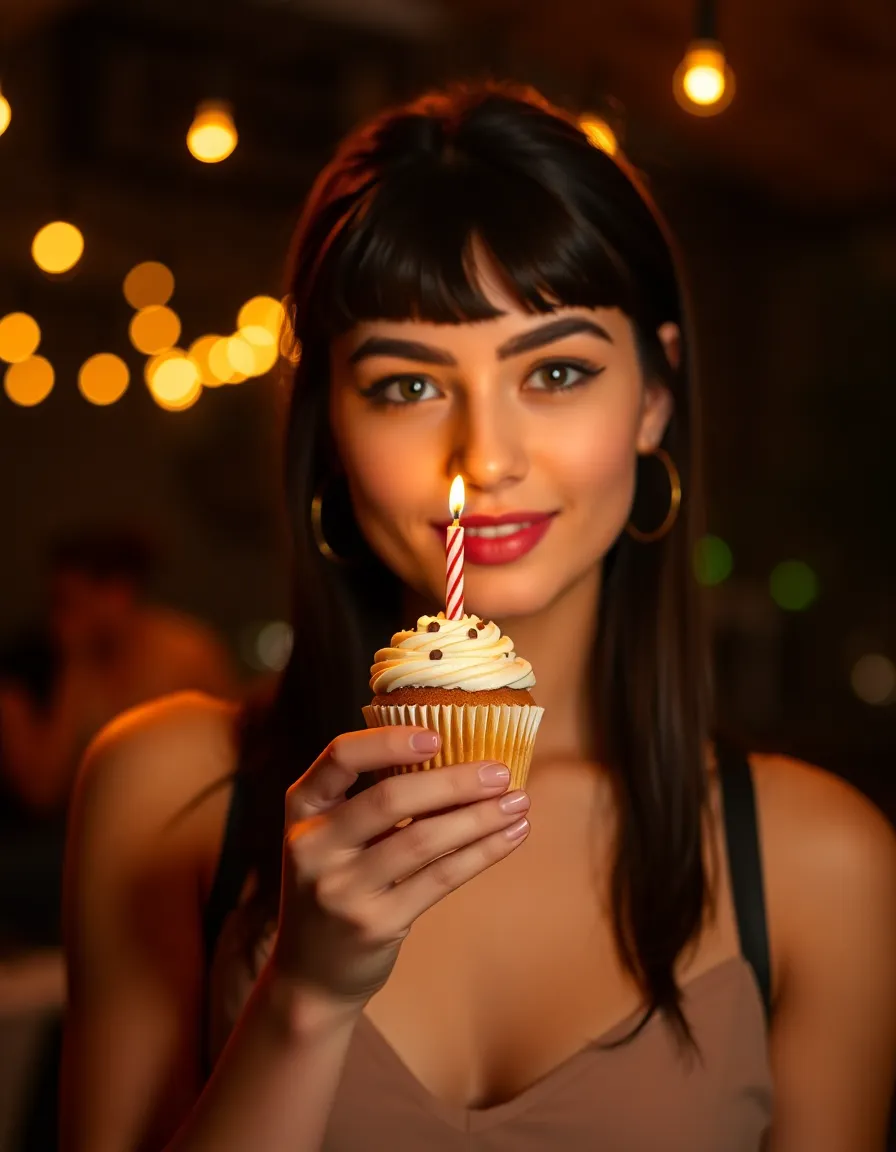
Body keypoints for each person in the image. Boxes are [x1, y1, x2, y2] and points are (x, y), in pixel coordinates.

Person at [60, 81, 896, 1152]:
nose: (484, 459)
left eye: (555, 371)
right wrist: (302, 1001)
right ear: (327, 427)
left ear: (651, 396)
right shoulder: (170, 796)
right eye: (407, 386)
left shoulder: (818, 860)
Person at [0, 528, 238, 816]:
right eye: (61, 604)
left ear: (119, 593)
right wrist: (75, 666)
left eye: (75, 603)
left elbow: (234, 753)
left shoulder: (187, 651)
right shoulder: (48, 664)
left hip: (181, 813)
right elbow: (41, 792)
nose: (65, 620)